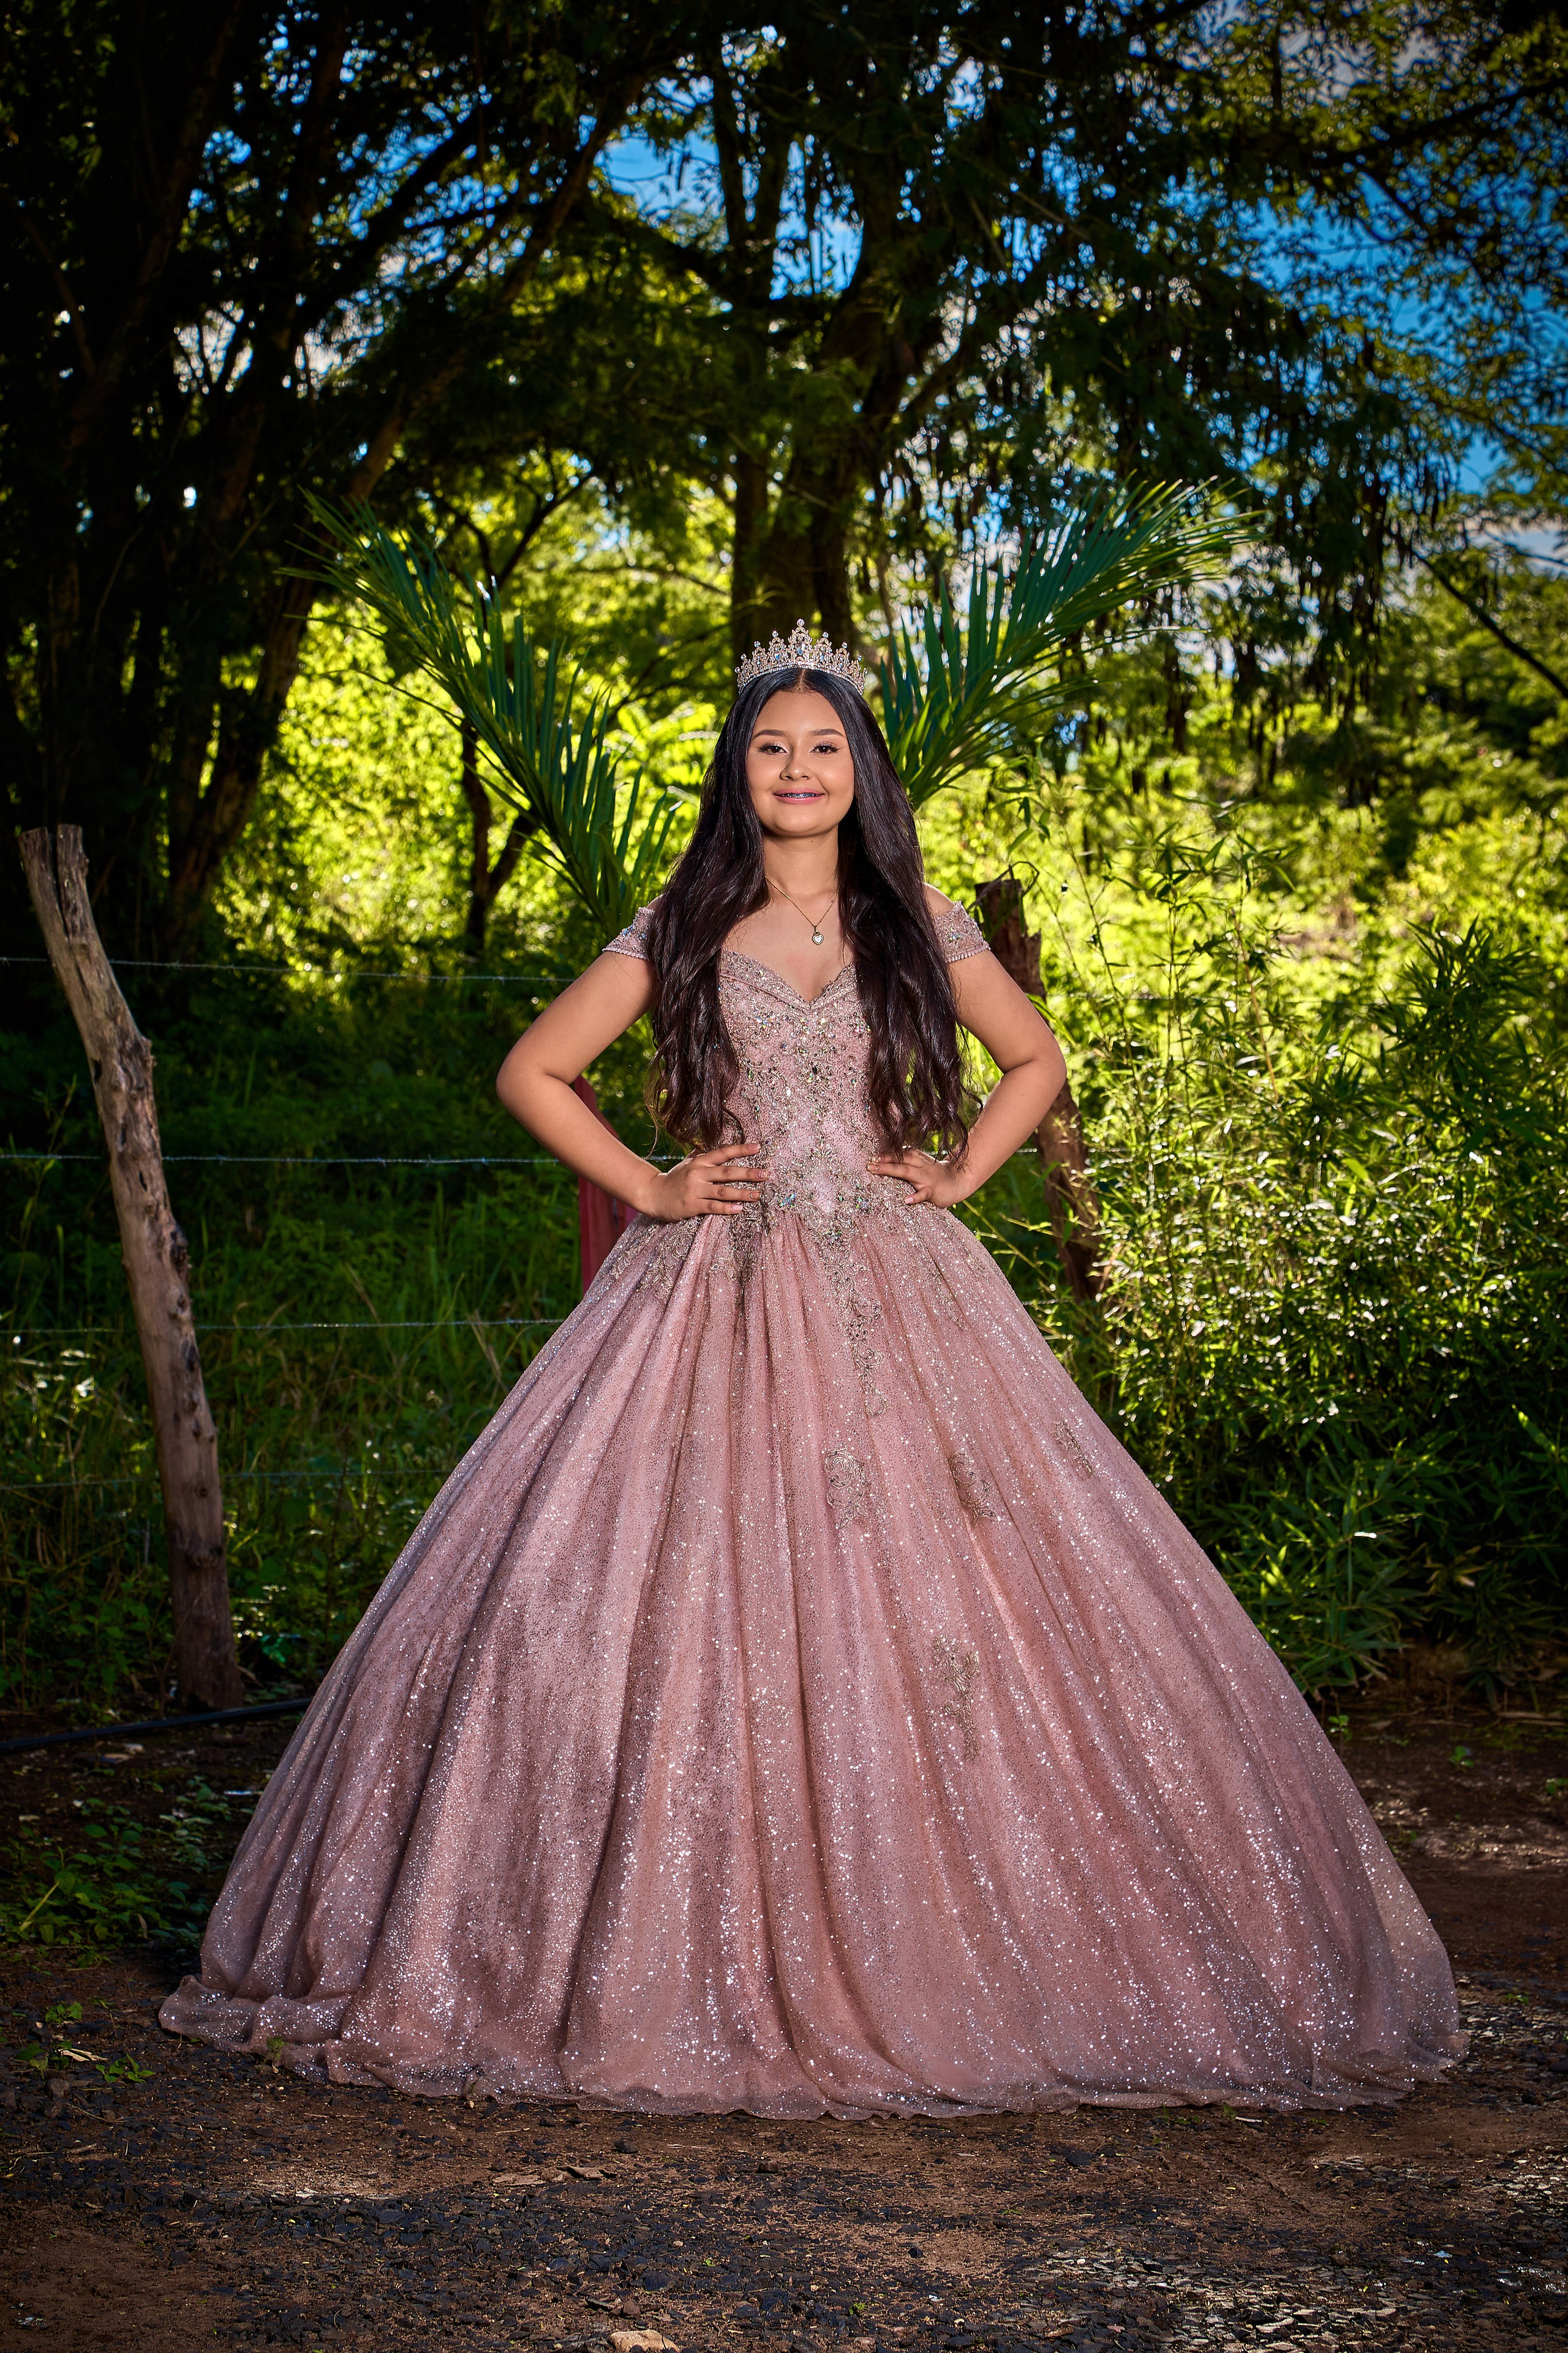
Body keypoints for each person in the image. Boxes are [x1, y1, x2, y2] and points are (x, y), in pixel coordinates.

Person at [161, 625, 1461, 2117]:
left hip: (894, 1286)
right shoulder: (681, 919)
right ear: (738, 770)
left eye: (823, 747)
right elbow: (531, 1069)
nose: (796, 768)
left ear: (860, 773)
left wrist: (962, 1167)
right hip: (709, 1282)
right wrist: (652, 1191)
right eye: (771, 747)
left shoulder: (914, 921)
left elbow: (1035, 1062)